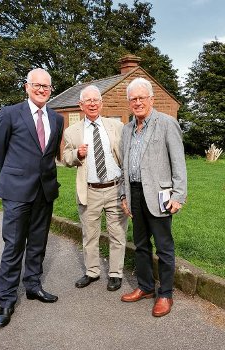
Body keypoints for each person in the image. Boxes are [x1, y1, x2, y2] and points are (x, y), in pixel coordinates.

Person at [0, 68, 64, 328]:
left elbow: (51, 154)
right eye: (37, 85)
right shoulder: (10, 113)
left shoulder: (57, 119)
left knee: (37, 243)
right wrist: (14, 180)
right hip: (16, 192)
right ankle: (7, 299)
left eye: (46, 86)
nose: (42, 89)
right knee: (13, 246)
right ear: (27, 87)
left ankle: (33, 286)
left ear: (51, 89)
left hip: (44, 192)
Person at [120, 77, 187, 317]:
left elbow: (179, 163)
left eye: (141, 98)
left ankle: (165, 294)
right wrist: (124, 195)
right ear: (129, 102)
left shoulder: (167, 123)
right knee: (140, 245)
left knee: (164, 247)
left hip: (160, 195)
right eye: (133, 99)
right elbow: (125, 167)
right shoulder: (127, 129)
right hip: (135, 193)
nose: (137, 102)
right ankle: (146, 287)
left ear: (151, 99)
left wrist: (179, 195)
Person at [63, 85, 127, 292]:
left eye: (96, 100)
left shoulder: (116, 125)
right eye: (87, 101)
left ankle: (115, 273)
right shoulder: (71, 132)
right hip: (89, 191)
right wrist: (77, 155)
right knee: (90, 235)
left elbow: (126, 153)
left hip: (115, 189)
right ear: (81, 105)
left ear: (101, 103)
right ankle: (92, 271)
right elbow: (65, 158)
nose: (92, 104)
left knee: (117, 233)